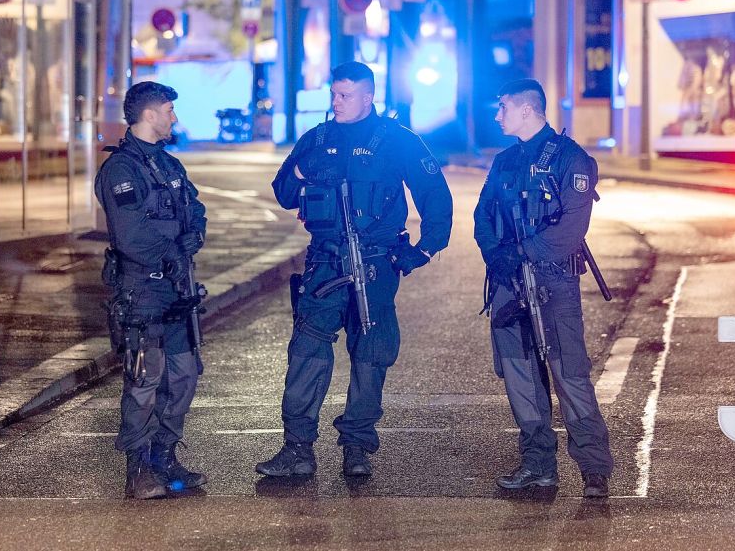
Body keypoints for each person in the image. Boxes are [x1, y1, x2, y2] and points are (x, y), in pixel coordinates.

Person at [257, 61, 453, 478]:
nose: (336, 102)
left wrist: (425, 249)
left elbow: (434, 194)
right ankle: (297, 448)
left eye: (345, 95)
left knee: (371, 353)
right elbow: (283, 194)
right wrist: (300, 169)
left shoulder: (398, 141)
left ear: (368, 96)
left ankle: (357, 446)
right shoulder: (318, 138)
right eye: (334, 94)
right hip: (325, 262)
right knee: (307, 351)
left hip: (377, 262)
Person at [473, 79, 613, 498]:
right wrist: (495, 254)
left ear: (527, 111)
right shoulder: (504, 161)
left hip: (554, 281)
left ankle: (594, 470)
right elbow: (482, 214)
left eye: (503, 107)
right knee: (521, 377)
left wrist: (521, 251)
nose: (498, 115)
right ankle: (538, 466)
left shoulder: (572, 160)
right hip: (508, 283)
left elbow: (571, 229)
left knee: (570, 374)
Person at [94, 81, 208, 499]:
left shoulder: (169, 165)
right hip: (142, 291)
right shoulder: (121, 170)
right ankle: (139, 469)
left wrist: (193, 236)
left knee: (184, 376)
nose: (174, 117)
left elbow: (194, 208)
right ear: (149, 114)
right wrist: (172, 253)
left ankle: (165, 456)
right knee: (144, 381)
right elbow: (131, 236)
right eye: (169, 110)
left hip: (178, 291)